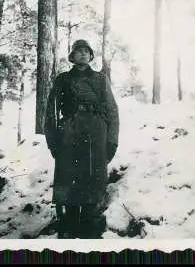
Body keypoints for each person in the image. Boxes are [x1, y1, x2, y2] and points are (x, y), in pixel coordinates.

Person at [44, 39, 119, 239]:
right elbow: (50, 111)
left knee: (94, 185)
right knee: (69, 184)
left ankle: (90, 231)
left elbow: (112, 110)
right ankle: (68, 228)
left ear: (91, 56)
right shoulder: (62, 80)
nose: (83, 54)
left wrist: (111, 141)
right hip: (69, 135)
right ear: (72, 56)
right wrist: (52, 141)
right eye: (79, 51)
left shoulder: (100, 79)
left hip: (96, 136)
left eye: (87, 51)